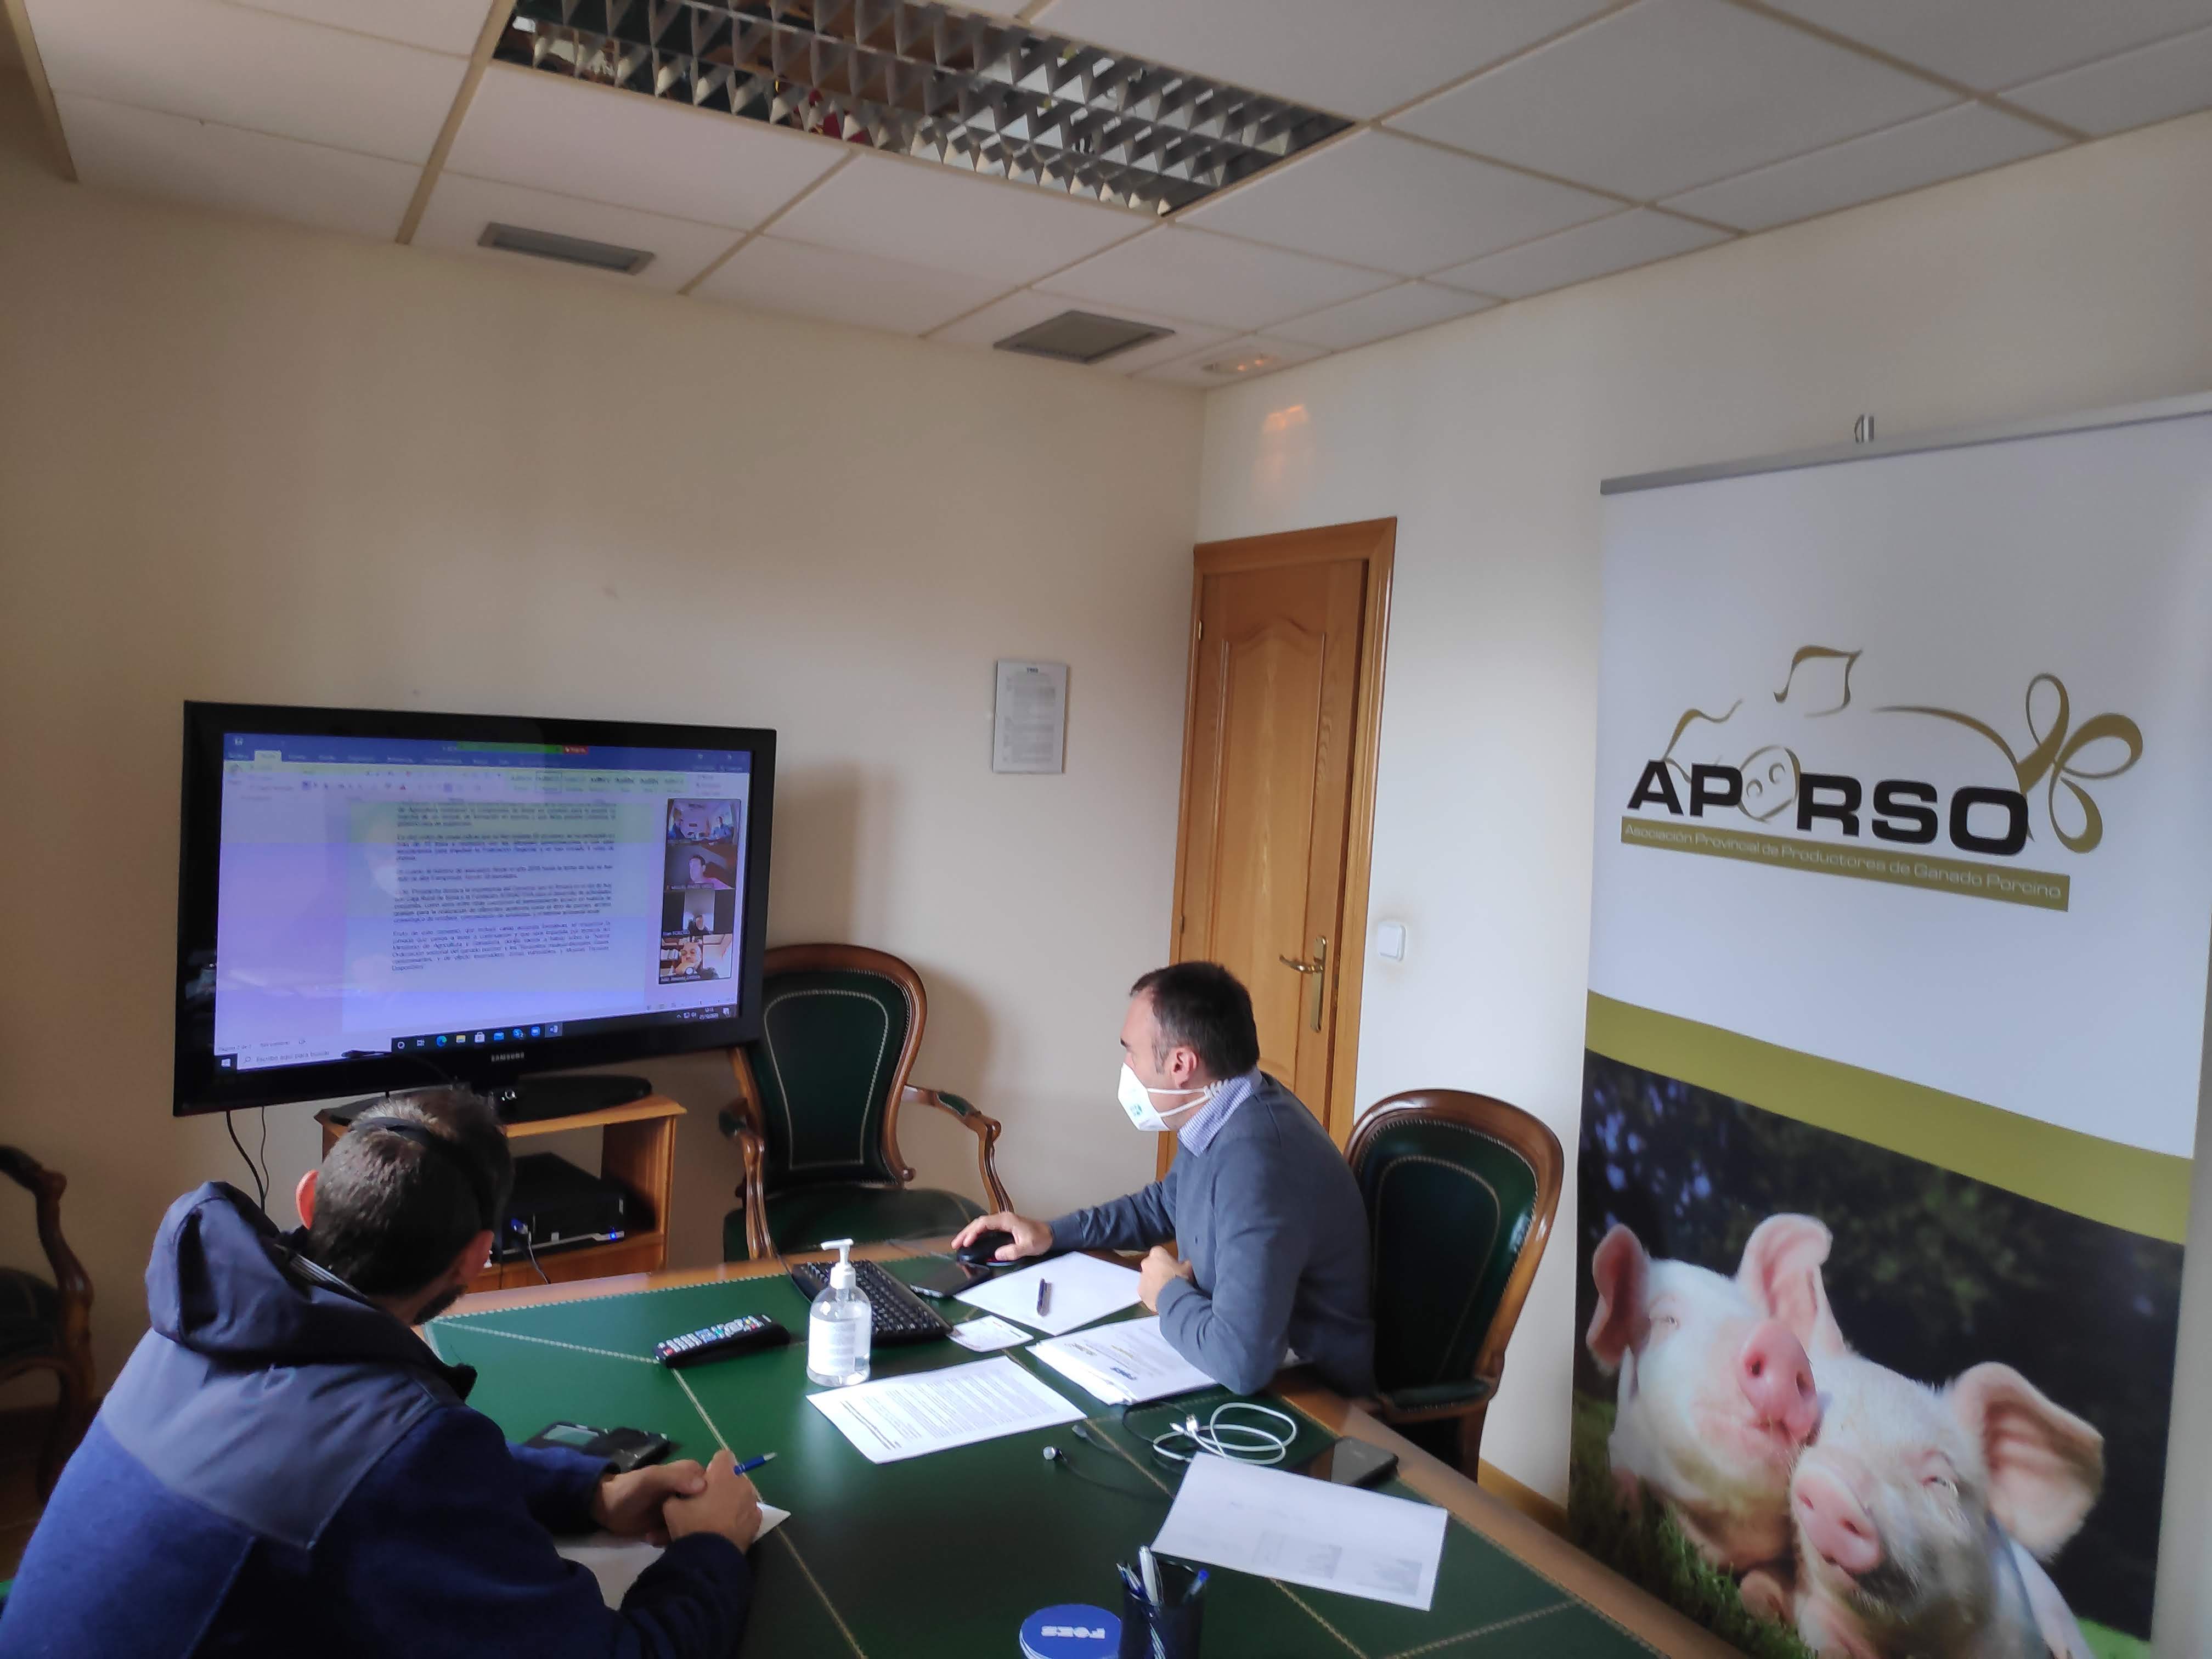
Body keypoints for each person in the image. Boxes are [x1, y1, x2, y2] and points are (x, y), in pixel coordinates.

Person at [2, 1090, 760, 1657]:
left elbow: (347, 1472)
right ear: (477, 1256)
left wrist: (588, 1491)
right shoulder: (402, 1451)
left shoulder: (203, 1318)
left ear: (309, 1196)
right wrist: (711, 1550)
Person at [954, 962, 1376, 1398]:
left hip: (1313, 1397)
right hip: (1238, 1357)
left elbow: (1242, 1362)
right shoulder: (1228, 1104)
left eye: (1132, 1053)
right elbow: (1164, 1205)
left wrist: (1167, 1293)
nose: (1127, 1066)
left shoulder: (1259, 1162)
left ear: (1181, 1064)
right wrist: (1051, 1233)